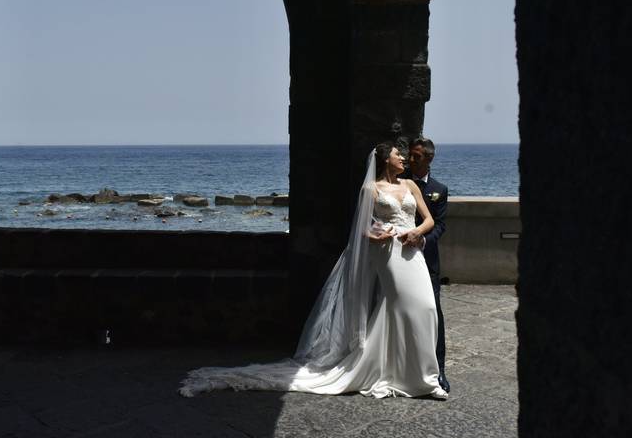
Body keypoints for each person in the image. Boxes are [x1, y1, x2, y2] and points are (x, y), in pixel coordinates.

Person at [179, 142, 448, 399]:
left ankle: (418, 374)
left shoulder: (411, 184)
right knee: (402, 307)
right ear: (384, 160)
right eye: (396, 154)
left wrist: (415, 233)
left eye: (403, 155)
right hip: (388, 254)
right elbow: (361, 228)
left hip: (412, 251)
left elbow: (429, 220)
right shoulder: (371, 189)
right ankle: (414, 378)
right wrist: (375, 237)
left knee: (425, 307)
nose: (402, 158)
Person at [400, 137, 450, 393]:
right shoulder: (397, 183)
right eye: (410, 155)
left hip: (427, 259)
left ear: (429, 158)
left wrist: (423, 240)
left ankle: (439, 369)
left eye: (417, 157)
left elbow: (440, 225)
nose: (411, 160)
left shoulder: (439, 189)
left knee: (433, 312)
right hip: (399, 257)